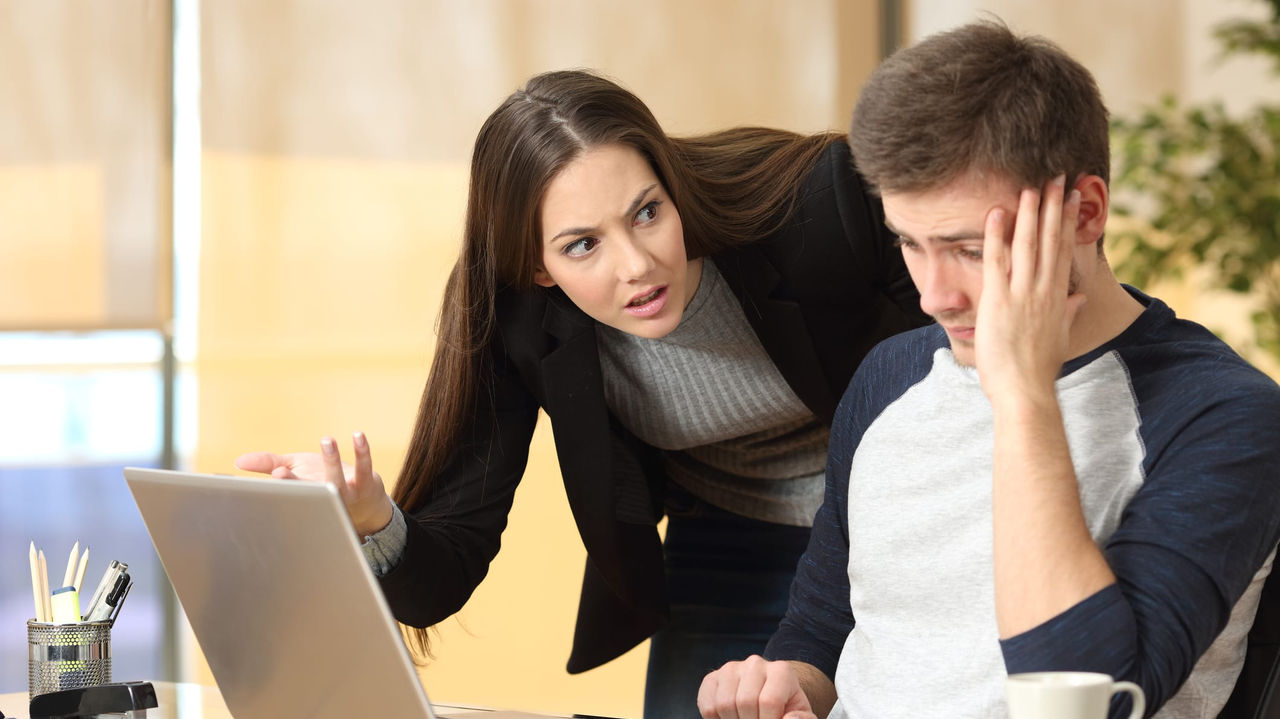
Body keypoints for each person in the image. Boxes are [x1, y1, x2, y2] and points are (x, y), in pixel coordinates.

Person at [233, 69, 928, 718]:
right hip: (726, 537)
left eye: (647, 212)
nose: (638, 265)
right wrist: (371, 520)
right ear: (537, 266)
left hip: (901, 513)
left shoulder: (817, 206)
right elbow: (440, 577)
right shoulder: (515, 319)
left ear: (668, 179)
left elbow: (970, 363)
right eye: (582, 246)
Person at [697, 20, 1280, 719]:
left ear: (1085, 212)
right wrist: (786, 685)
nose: (933, 295)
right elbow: (822, 632)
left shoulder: (1223, 413)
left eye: (969, 247)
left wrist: (1024, 394)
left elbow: (1086, 695)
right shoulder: (892, 374)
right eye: (910, 243)